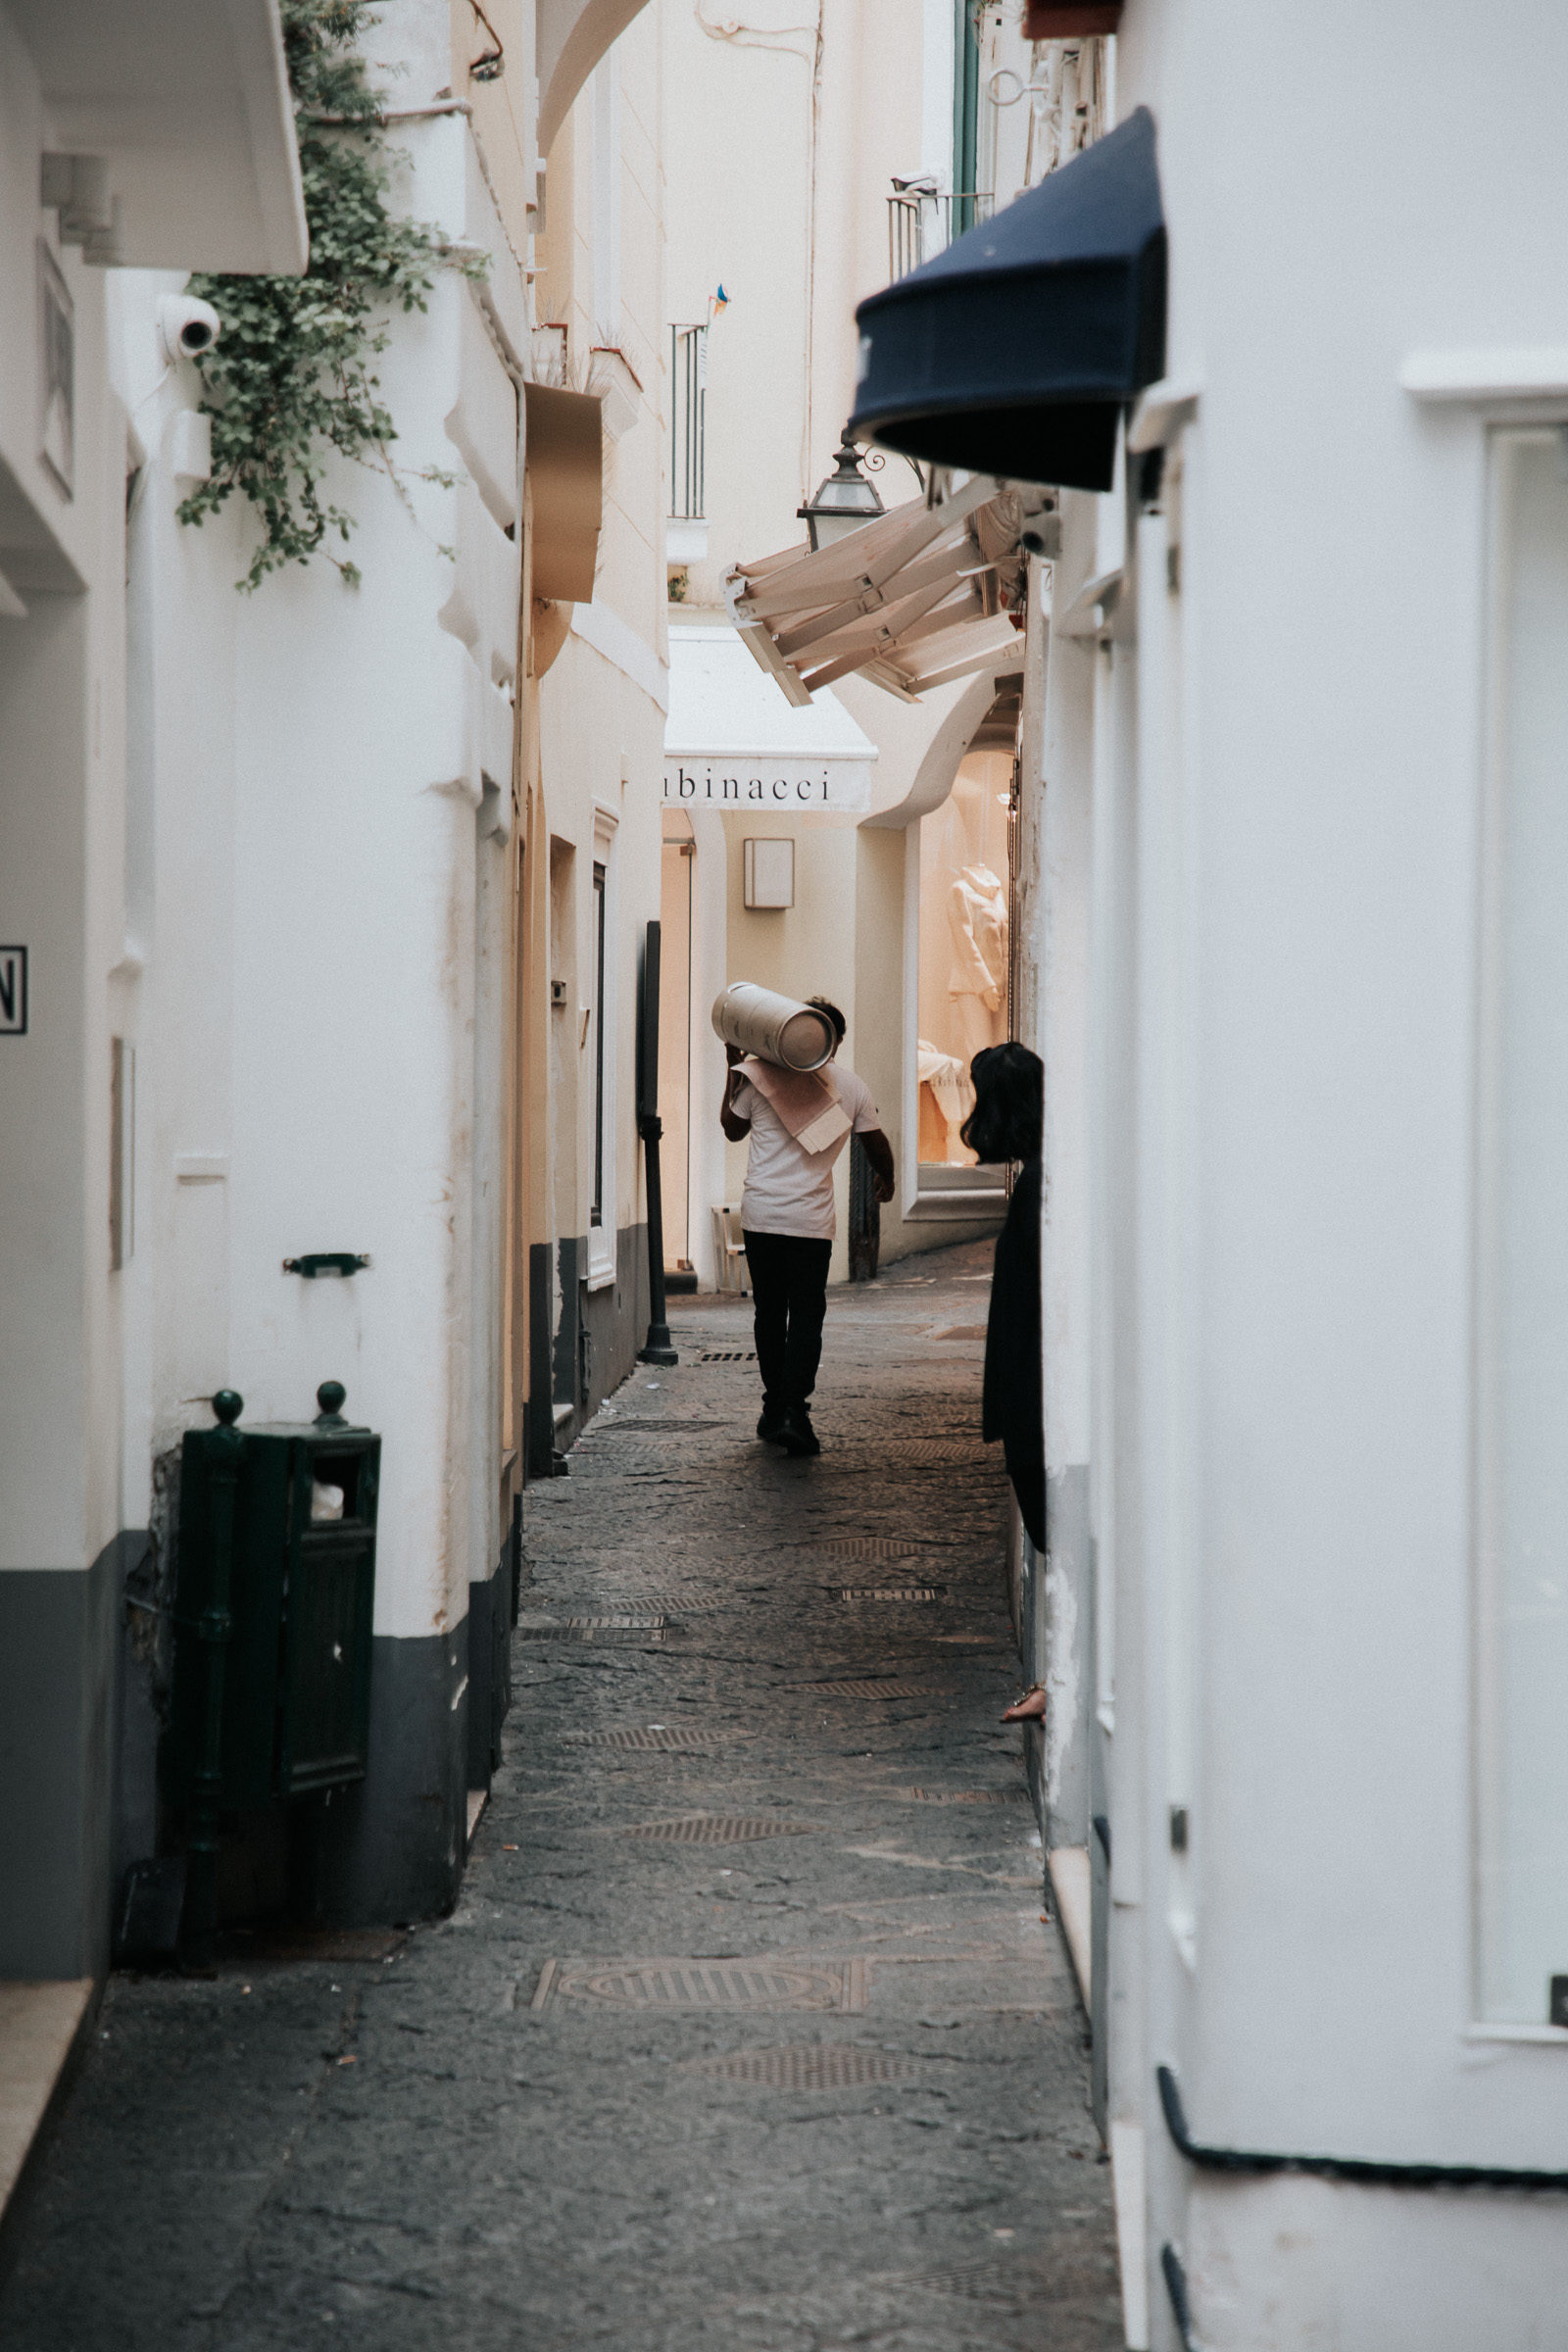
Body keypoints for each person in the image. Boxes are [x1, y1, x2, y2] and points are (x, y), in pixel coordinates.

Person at [720, 996, 895, 1457]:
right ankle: (793, 1409)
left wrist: (733, 1069)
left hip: (761, 1216)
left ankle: (773, 1406)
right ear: (833, 1041)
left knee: (769, 1313)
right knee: (806, 1317)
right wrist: (888, 1179)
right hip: (810, 1223)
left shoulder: (757, 1077)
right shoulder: (850, 1087)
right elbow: (876, 1143)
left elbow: (731, 1130)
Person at [958, 1043, 1048, 1724]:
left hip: (1034, 1379)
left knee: (1048, 1510)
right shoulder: (1042, 1176)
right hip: (1028, 1376)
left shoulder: (1047, 1182)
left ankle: (1058, 1675)